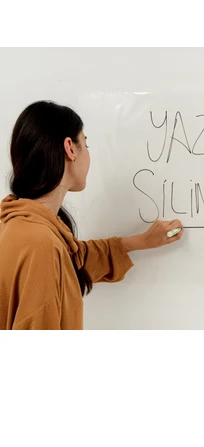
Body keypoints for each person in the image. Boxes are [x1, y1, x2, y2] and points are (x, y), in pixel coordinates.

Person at [0, 101, 183, 330]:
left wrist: (142, 241)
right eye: (85, 144)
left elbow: (75, 260)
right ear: (70, 148)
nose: (88, 153)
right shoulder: (40, 243)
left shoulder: (19, 224)